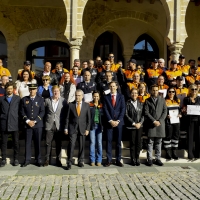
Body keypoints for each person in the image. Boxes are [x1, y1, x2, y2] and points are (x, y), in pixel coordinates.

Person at [64, 89, 91, 170]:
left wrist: (87, 129)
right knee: (71, 145)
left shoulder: (86, 105)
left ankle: (80, 161)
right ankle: (69, 162)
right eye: (76, 95)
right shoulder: (71, 105)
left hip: (82, 128)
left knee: (82, 145)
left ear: (82, 96)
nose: (77, 97)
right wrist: (66, 127)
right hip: (73, 128)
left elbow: (89, 119)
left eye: (79, 95)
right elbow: (67, 118)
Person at [20, 83, 45, 167]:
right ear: (29, 90)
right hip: (27, 125)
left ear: (36, 90)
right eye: (30, 89)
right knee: (27, 143)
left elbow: (42, 112)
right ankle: (27, 160)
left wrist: (35, 121)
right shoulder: (24, 99)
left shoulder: (40, 99)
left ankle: (38, 160)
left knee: (38, 143)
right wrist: (27, 121)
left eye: (33, 89)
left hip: (37, 125)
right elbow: (22, 111)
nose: (32, 91)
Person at [43, 85, 68, 167]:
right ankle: (47, 159)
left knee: (58, 143)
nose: (55, 92)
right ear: (52, 92)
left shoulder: (63, 101)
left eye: (57, 91)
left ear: (59, 91)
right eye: (54, 91)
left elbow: (66, 113)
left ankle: (58, 159)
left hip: (59, 125)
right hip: (49, 124)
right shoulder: (47, 100)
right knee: (48, 143)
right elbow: (43, 111)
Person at [103, 81, 125, 167]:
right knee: (108, 141)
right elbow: (105, 109)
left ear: (117, 87)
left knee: (118, 142)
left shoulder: (121, 96)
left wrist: (118, 120)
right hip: (109, 123)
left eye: (113, 86)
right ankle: (109, 160)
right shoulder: (106, 97)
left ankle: (118, 159)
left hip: (119, 123)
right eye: (111, 86)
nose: (112, 88)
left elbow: (123, 109)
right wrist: (110, 120)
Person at [144, 84, 167, 166]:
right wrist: (154, 121)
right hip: (151, 124)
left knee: (159, 142)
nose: (155, 91)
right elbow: (146, 112)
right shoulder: (147, 100)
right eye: (153, 90)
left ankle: (158, 158)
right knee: (150, 142)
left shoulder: (162, 100)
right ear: (150, 91)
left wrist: (160, 120)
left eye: (156, 90)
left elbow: (165, 111)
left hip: (160, 124)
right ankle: (149, 159)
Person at [0, 82, 20, 167]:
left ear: (13, 89)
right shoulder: (1, 99)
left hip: (14, 122)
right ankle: (3, 159)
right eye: (8, 89)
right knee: (4, 142)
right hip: (4, 123)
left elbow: (20, 110)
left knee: (16, 142)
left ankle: (16, 159)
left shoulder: (17, 98)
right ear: (6, 89)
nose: (9, 90)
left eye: (11, 88)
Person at [125, 88, 144, 166]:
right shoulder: (127, 103)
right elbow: (126, 114)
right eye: (133, 93)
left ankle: (137, 157)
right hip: (131, 126)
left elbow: (143, 115)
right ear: (130, 94)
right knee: (132, 143)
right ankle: (132, 158)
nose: (134, 94)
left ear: (138, 94)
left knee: (138, 143)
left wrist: (140, 123)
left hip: (139, 126)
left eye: (136, 93)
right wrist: (133, 123)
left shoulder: (140, 103)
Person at [183, 84, 200, 160]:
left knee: (198, 137)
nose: (194, 91)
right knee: (190, 137)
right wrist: (184, 111)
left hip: (198, 121)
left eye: (195, 89)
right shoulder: (186, 99)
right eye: (192, 89)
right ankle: (190, 154)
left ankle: (197, 154)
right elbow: (184, 109)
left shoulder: (199, 99)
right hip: (190, 120)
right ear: (189, 90)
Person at [164, 87, 181, 160]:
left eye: (173, 92)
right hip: (168, 122)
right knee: (168, 137)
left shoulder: (178, 101)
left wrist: (180, 114)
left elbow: (180, 111)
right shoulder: (165, 101)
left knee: (176, 136)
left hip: (176, 122)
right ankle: (168, 152)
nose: (171, 93)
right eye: (170, 92)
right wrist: (166, 116)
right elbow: (163, 112)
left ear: (175, 93)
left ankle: (174, 152)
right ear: (167, 93)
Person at [89, 91, 103, 166]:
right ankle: (92, 160)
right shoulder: (90, 105)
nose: (96, 98)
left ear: (99, 97)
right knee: (92, 142)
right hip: (92, 126)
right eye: (94, 96)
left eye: (97, 96)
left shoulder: (101, 105)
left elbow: (103, 115)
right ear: (92, 96)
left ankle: (99, 160)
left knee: (99, 143)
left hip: (99, 126)